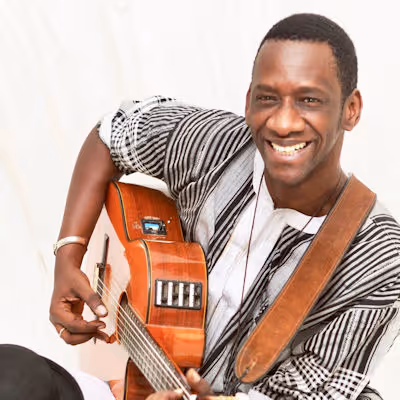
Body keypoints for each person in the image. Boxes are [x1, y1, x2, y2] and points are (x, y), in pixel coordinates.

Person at [49, 13, 400, 400]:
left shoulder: (378, 256)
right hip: (121, 377)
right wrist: (69, 254)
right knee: (12, 374)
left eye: (309, 100)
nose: (283, 123)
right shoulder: (213, 145)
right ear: (248, 102)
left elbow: (316, 390)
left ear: (351, 109)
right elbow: (112, 133)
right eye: (268, 98)